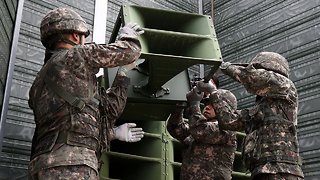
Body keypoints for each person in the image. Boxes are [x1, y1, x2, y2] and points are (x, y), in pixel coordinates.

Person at [28, 7, 144, 179]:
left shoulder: (38, 84)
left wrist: (122, 75)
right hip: (73, 166)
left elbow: (75, 125)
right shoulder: (76, 55)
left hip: (40, 167)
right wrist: (128, 36)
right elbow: (129, 52)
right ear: (76, 35)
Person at [215, 52, 304, 179]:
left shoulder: (285, 86)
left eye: (258, 69)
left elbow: (253, 78)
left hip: (281, 170)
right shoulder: (260, 109)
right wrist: (213, 93)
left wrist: (225, 67)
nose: (255, 71)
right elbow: (229, 121)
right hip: (262, 171)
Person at [166, 79, 237, 180]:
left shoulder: (227, 129)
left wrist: (194, 104)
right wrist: (180, 106)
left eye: (213, 105)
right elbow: (176, 128)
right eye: (207, 104)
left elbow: (200, 130)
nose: (207, 107)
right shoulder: (199, 127)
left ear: (225, 109)